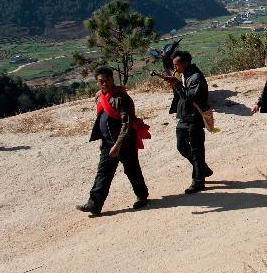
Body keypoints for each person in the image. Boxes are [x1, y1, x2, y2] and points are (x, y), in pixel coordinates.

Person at [77, 66, 148, 215]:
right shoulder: (99, 96)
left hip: (125, 142)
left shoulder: (121, 98)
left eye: (107, 80)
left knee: (132, 170)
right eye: (101, 81)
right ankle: (94, 204)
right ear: (97, 82)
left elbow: (126, 123)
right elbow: (101, 119)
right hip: (108, 143)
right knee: (103, 173)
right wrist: (103, 140)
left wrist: (118, 144)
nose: (104, 83)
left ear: (112, 79)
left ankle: (142, 196)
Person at [164, 50, 212, 194]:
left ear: (185, 64)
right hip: (184, 117)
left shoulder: (196, 77)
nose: (175, 68)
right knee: (181, 146)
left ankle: (198, 181)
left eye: (176, 65)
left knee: (197, 150)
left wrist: (177, 85)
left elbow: (191, 98)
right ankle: (202, 169)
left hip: (195, 117)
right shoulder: (183, 75)